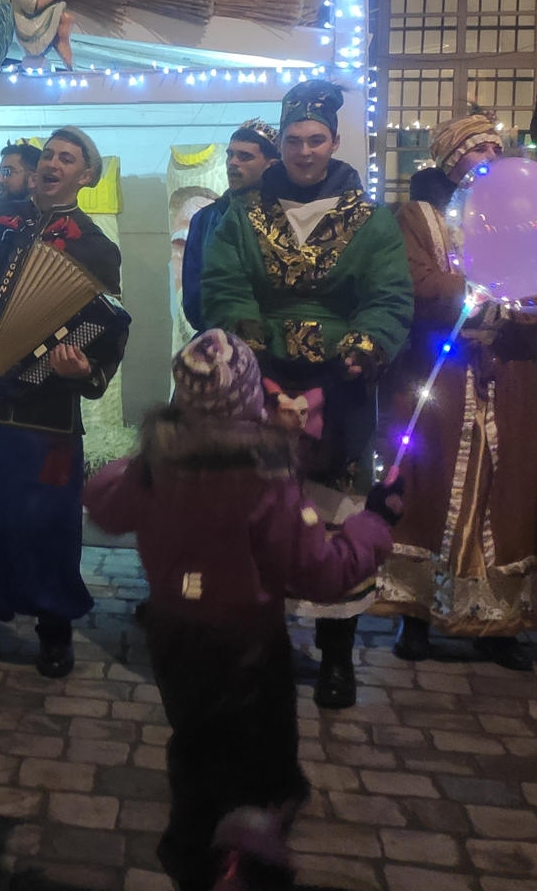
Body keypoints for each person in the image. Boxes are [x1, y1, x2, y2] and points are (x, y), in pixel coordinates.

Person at [86, 330, 403, 891]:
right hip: (248, 646)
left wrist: (150, 452)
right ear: (253, 401)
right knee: (260, 770)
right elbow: (321, 573)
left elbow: (105, 502)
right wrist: (372, 525)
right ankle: (236, 864)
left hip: (173, 638)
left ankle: (198, 852)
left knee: (197, 746)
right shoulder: (265, 477)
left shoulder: (157, 465)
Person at [200, 78, 412, 709]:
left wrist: (362, 347)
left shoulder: (370, 221)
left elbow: (389, 297)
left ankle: (337, 658)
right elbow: (224, 288)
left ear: (335, 142)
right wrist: (252, 352)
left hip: (341, 389)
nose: (305, 151)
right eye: (293, 140)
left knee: (334, 518)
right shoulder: (242, 216)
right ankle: (261, 645)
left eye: (316, 140)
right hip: (260, 382)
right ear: (281, 146)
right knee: (258, 516)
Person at [0, 127, 127, 678]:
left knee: (46, 516)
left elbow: (106, 330)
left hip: (47, 401)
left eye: (68, 158)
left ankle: (53, 629)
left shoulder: (95, 246)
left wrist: (85, 368)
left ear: (86, 176)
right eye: (48, 155)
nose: (53, 164)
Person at [375, 113, 537, 671]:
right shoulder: (419, 218)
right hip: (439, 374)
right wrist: (479, 290)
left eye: (496, 151)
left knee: (507, 493)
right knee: (430, 485)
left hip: (506, 373)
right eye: (476, 152)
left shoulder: (524, 222)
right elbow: (415, 282)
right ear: (453, 165)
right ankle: (416, 615)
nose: (489, 160)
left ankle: (499, 623)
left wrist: (524, 305)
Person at [180, 121, 279, 333]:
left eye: (245, 156)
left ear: (271, 165)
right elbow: (194, 296)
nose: (233, 163)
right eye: (230, 154)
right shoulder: (205, 219)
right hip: (219, 341)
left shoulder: (285, 218)